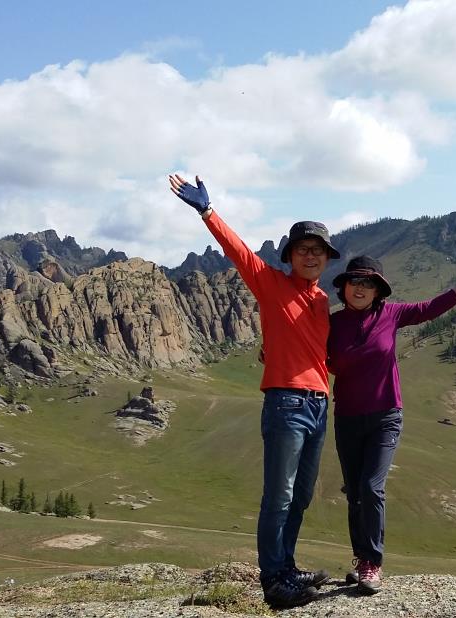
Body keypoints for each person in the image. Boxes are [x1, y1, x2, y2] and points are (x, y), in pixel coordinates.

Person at [169, 174, 338, 609]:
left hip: (320, 405)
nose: (311, 256)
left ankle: (287, 565)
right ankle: (273, 580)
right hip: (286, 403)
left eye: (318, 251)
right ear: (290, 255)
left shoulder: (322, 301)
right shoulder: (270, 283)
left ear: (326, 258)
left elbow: (319, 353)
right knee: (279, 495)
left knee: (301, 496)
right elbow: (239, 252)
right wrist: (208, 212)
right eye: (303, 249)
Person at [327, 254, 456, 594]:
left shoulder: (392, 314)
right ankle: (361, 559)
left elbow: (430, 308)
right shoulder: (332, 323)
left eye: (368, 283)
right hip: (346, 418)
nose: (360, 288)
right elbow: (304, 344)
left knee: (371, 487)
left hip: (386, 416)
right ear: (344, 287)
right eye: (355, 281)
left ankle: (373, 563)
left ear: (378, 290)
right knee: (355, 493)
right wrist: (273, 351)